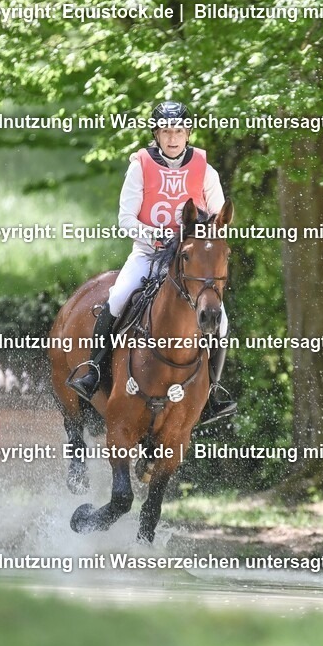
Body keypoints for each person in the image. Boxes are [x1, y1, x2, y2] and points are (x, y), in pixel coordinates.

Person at [69, 100, 236, 426]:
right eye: (165, 132)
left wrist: (202, 237)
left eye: (178, 131)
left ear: (188, 134)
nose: (172, 138)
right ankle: (94, 373)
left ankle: (212, 394)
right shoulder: (140, 166)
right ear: (156, 135)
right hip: (150, 252)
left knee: (223, 323)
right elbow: (125, 219)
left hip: (191, 261)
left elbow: (219, 217)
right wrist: (155, 236)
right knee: (117, 298)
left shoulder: (205, 168)